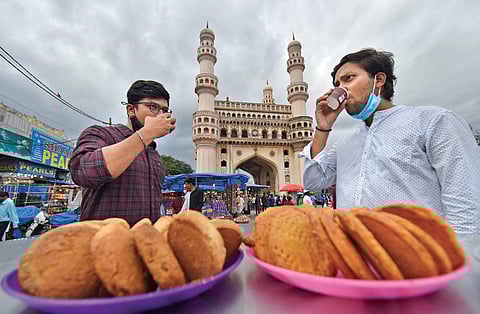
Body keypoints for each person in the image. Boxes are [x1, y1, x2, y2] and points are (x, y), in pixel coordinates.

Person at [302, 48, 480, 234]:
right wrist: (323, 127)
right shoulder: (346, 143)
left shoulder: (433, 121)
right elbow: (313, 181)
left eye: (349, 78)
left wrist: (461, 257)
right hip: (353, 256)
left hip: (416, 257)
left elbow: (466, 207)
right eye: (337, 83)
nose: (340, 89)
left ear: (378, 80)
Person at [69, 80, 176, 226]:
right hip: (104, 244)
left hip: (146, 244)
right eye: (153, 107)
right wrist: (145, 135)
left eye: (164, 110)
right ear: (131, 109)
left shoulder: (154, 155)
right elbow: (83, 172)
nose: (160, 115)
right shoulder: (101, 134)